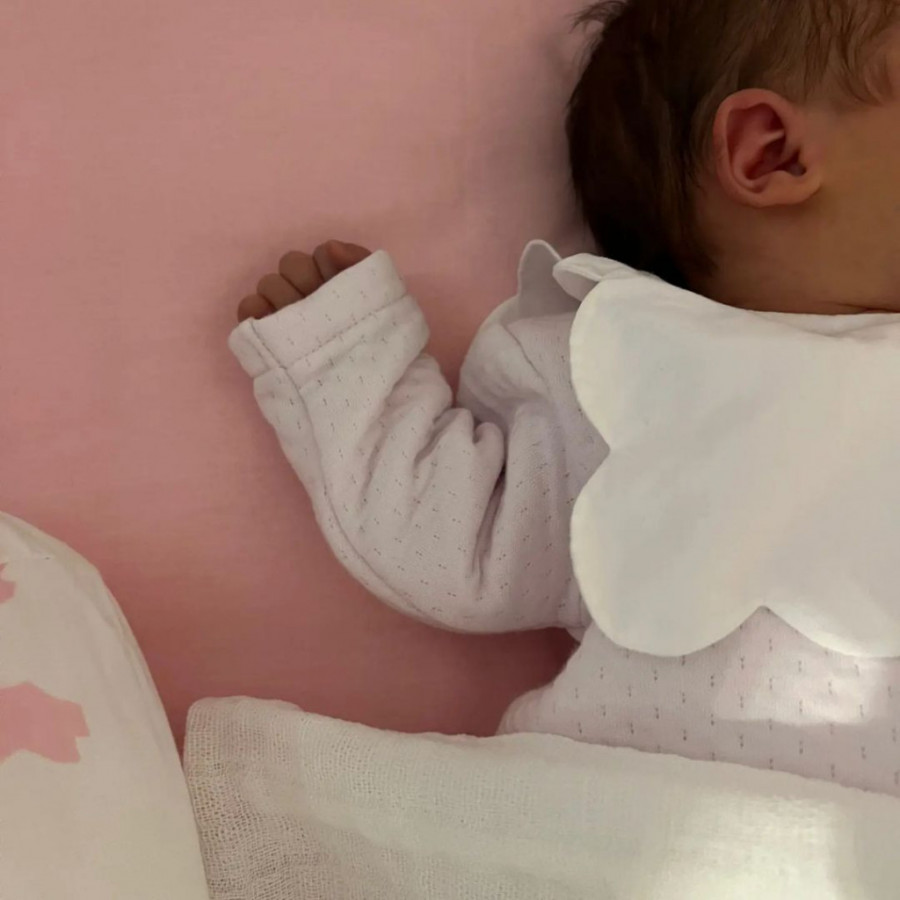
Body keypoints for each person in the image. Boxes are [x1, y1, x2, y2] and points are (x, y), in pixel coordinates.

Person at [229, 0, 900, 794]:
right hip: (637, 818)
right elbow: (450, 547)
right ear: (771, 153)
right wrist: (347, 359)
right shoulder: (634, 380)